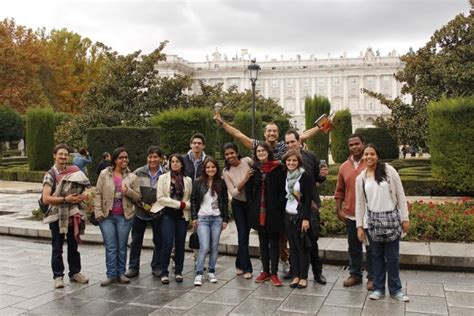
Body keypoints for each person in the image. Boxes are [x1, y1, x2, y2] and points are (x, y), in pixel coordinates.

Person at [355, 144, 410, 302]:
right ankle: (379, 288)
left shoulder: (389, 171)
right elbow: (360, 204)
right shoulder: (361, 178)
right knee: (376, 257)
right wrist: (359, 226)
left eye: (372, 154)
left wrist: (404, 218)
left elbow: (400, 193)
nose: (368, 157)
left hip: (391, 220)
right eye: (366, 154)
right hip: (373, 222)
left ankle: (396, 290)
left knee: (392, 258)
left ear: (377, 156)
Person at [42, 144, 90, 289]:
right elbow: (46, 198)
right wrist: (65, 200)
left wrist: (81, 197)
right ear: (54, 155)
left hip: (73, 213)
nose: (63, 157)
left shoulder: (73, 172)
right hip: (57, 216)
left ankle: (75, 273)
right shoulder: (50, 175)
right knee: (57, 247)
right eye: (60, 154)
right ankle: (58, 276)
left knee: (73, 245)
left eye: (65, 154)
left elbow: (87, 190)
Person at [284, 129, 328, 285]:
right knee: (295, 241)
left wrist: (322, 176)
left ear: (299, 141)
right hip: (292, 208)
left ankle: (317, 272)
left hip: (310, 206)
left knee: (312, 241)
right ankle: (295, 271)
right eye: (287, 142)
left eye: (292, 141)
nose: (290, 145)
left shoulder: (310, 156)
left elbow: (317, 178)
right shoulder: (285, 159)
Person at [94, 147, 141, 286]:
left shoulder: (132, 177)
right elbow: (98, 194)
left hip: (124, 216)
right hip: (107, 216)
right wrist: (98, 213)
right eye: (121, 158)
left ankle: (121, 273)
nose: (124, 160)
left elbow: (138, 197)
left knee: (122, 246)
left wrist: (129, 192)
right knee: (111, 246)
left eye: (126, 157)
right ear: (115, 160)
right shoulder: (104, 174)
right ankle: (110, 274)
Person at [335, 134, 373, 290]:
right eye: (351, 145)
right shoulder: (344, 167)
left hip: (370, 214)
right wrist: (338, 209)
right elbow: (339, 190)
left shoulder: (371, 163)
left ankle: (372, 277)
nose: (354, 147)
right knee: (353, 246)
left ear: (363, 144)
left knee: (371, 247)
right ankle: (355, 274)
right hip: (351, 213)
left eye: (357, 144)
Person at [245, 142, 286, 287]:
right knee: (262, 242)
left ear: (268, 152)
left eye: (263, 150)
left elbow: (283, 191)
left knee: (274, 243)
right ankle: (265, 271)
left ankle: (274, 274)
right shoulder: (254, 169)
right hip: (258, 211)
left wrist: (279, 206)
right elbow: (249, 190)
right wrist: (252, 206)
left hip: (274, 211)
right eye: (258, 151)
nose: (261, 153)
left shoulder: (279, 168)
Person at [151, 153, 192, 284]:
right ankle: (164, 272)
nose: (175, 163)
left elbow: (191, 199)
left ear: (182, 164)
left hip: (182, 216)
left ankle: (179, 271)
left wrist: (186, 205)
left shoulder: (188, 180)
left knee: (180, 244)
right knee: (167, 243)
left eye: (177, 161)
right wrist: (179, 204)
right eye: (172, 161)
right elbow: (161, 198)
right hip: (167, 215)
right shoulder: (163, 178)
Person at [125, 146, 165, 278]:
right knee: (136, 240)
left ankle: (157, 266)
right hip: (140, 212)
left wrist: (157, 206)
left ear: (161, 158)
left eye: (155, 157)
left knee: (158, 241)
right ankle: (133, 267)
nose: (152, 159)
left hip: (158, 213)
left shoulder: (165, 174)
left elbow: (167, 194)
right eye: (150, 157)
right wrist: (143, 205)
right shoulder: (138, 172)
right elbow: (133, 192)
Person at [191, 157, 229, 286]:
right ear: (204, 169)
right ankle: (199, 273)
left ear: (216, 168)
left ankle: (211, 271)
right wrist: (194, 217)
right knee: (204, 247)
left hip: (217, 218)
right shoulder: (198, 182)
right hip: (203, 218)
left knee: (214, 247)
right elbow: (193, 201)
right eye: (208, 167)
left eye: (213, 167)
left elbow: (224, 201)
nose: (210, 169)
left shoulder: (221, 182)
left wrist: (225, 219)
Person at [282, 149, 316, 289]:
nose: (291, 163)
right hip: (288, 213)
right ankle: (295, 275)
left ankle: (303, 277)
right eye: (289, 160)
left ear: (299, 162)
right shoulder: (286, 175)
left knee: (302, 247)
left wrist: (306, 219)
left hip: (300, 215)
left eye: (294, 160)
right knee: (293, 247)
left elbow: (308, 199)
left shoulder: (305, 175)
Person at [222, 143, 254, 279]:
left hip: (252, 204)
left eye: (231, 153)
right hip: (238, 205)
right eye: (227, 154)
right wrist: (245, 180)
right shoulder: (226, 171)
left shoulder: (247, 161)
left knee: (245, 235)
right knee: (242, 235)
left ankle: (239, 264)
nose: (230, 156)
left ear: (237, 152)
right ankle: (247, 268)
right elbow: (234, 193)